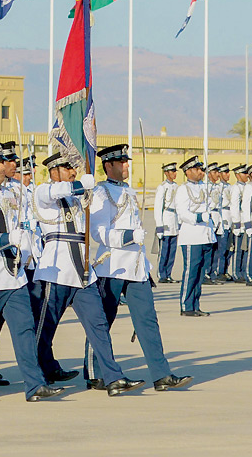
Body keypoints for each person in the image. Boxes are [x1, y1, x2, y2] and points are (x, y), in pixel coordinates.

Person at [30, 152, 142, 396]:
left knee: (99, 325)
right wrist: (79, 185)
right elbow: (53, 193)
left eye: (74, 169)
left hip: (82, 272)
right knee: (45, 329)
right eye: (68, 169)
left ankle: (112, 377)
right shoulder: (43, 192)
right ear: (53, 171)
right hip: (56, 271)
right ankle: (38, 378)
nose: (73, 172)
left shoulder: (78, 197)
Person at [82, 144, 192, 392]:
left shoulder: (129, 191)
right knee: (102, 322)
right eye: (122, 162)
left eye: (127, 161)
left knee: (148, 321)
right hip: (111, 265)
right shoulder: (100, 193)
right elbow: (97, 232)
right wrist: (129, 236)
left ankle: (161, 374)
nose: (127, 165)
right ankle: (94, 372)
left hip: (135, 267)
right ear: (108, 165)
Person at [0, 143, 63, 402]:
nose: (2, 166)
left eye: (2, 162)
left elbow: (27, 220)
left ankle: (35, 384)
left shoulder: (15, 191)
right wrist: (8, 238)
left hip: (14, 275)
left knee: (24, 330)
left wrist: (28, 245)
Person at [172, 156, 216, 315]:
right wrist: (198, 217)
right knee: (191, 272)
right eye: (198, 169)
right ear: (189, 171)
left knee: (200, 274)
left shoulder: (204, 187)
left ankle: (195, 305)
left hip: (205, 235)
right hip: (192, 236)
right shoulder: (183, 189)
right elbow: (182, 213)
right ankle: (186, 306)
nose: (201, 172)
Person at [153, 161, 180, 282]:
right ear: (166, 173)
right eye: (172, 171)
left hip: (174, 219)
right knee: (164, 250)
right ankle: (161, 274)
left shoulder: (176, 186)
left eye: (175, 171)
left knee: (172, 250)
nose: (174, 174)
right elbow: (158, 207)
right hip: (166, 218)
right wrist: (159, 225)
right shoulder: (162, 187)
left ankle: (168, 273)